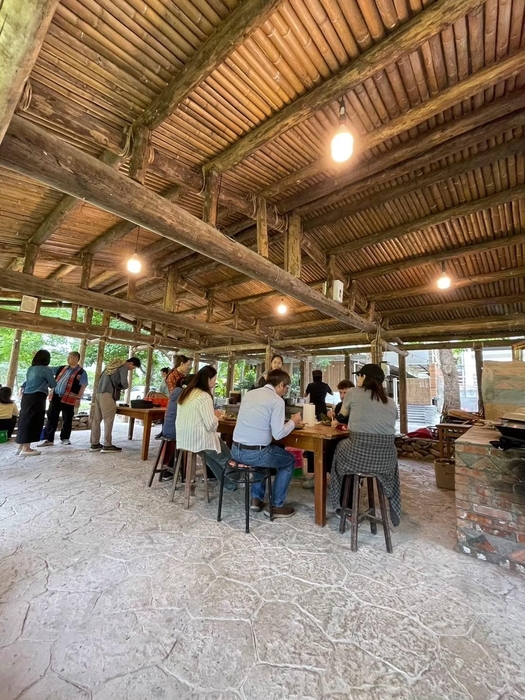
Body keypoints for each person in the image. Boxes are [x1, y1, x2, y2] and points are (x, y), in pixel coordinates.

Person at [330, 364, 401, 526]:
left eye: (359, 376)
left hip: (358, 456)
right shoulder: (391, 402)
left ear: (365, 378)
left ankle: (343, 504)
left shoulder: (354, 393)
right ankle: (393, 505)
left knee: (338, 450)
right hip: (385, 460)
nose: (357, 379)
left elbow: (342, 416)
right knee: (392, 461)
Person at [232, 369, 302, 518]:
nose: (286, 391)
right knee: (288, 461)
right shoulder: (276, 400)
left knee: (264, 453)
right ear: (281, 384)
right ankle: (277, 505)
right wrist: (293, 422)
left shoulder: (250, 394)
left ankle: (256, 500)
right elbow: (278, 434)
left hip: (236, 450)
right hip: (255, 454)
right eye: (287, 387)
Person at [175, 365, 236, 490]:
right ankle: (238, 479)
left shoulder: (187, 393)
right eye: (214, 379)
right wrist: (217, 416)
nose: (215, 382)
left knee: (210, 458)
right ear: (208, 379)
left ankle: (229, 484)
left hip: (184, 438)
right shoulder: (204, 396)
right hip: (199, 438)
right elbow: (211, 425)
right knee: (227, 457)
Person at [90, 357, 141, 453]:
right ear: (131, 363)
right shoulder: (124, 366)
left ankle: (94, 443)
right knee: (108, 419)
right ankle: (107, 445)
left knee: (96, 419)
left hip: (98, 393)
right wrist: (125, 387)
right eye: (133, 368)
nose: (131, 370)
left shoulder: (112, 365)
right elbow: (124, 383)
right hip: (107, 395)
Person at [38, 351, 88, 447]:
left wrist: (78, 398)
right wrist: (41, 361)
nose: (68, 359)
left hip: (70, 398)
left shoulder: (82, 372)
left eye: (70, 357)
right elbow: (49, 369)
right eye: (68, 357)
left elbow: (83, 386)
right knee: (51, 417)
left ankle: (65, 438)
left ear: (77, 359)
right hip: (56, 396)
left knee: (67, 418)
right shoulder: (61, 368)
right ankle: (48, 439)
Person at [15, 350, 56, 456]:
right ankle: (26, 448)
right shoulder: (46, 370)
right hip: (37, 397)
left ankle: (20, 446)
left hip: (26, 397)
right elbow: (53, 384)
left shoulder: (31, 369)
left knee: (24, 419)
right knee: (32, 421)